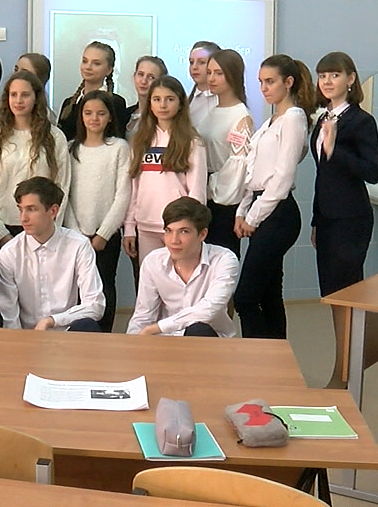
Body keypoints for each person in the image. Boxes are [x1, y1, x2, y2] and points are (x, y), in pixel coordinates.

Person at [311, 51, 378, 387]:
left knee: (346, 297)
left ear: (350, 79)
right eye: (322, 75)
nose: (327, 81)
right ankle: (344, 367)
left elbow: (373, 171)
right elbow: (322, 175)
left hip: (351, 219)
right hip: (327, 218)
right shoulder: (323, 118)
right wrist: (315, 219)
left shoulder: (361, 121)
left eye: (334, 75)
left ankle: (345, 374)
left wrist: (335, 147)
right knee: (332, 297)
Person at [233, 54, 313, 340]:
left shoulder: (294, 118)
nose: (264, 88)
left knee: (245, 298)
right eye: (260, 82)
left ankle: (256, 357)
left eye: (270, 82)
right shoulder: (270, 121)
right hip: (260, 206)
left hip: (278, 213)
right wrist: (242, 211)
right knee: (268, 294)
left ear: (288, 82)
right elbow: (253, 172)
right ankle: (276, 355)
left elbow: (282, 178)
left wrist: (253, 217)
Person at [0, 177, 104, 332]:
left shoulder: (78, 245)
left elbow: (95, 304)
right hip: (27, 338)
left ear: (53, 211)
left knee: (88, 326)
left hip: (67, 333)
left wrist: (52, 320)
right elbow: (8, 313)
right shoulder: (10, 252)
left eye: (31, 209)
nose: (23, 218)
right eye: (21, 209)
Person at [122, 76, 207, 273]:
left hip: (179, 228)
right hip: (146, 225)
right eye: (157, 99)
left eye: (169, 99)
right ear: (150, 103)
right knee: (151, 281)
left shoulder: (192, 142)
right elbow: (133, 188)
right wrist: (129, 227)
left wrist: (190, 227)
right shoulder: (140, 141)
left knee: (181, 280)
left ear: (180, 103)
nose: (163, 105)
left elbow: (197, 190)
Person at [0, 71, 71, 248]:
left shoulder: (55, 137)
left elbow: (63, 186)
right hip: (6, 229)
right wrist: (1, 236)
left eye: (25, 95)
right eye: (13, 95)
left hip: (44, 231)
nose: (18, 100)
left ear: (36, 98)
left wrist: (51, 231)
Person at [65, 90, 132, 332]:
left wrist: (103, 234)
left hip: (106, 236)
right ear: (81, 116)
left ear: (110, 117)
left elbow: (123, 194)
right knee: (78, 287)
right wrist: (76, 233)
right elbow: (65, 193)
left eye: (101, 113)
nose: (94, 118)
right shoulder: (70, 148)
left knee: (104, 285)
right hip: (76, 234)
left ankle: (104, 335)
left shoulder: (119, 148)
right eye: (88, 113)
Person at [127, 197, 239, 337]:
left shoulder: (224, 259)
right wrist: (132, 341)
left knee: (198, 329)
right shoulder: (153, 262)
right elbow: (143, 315)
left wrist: (155, 328)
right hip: (165, 341)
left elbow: (208, 309)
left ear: (202, 234)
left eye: (184, 231)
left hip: (207, 339)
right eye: (168, 231)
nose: (174, 240)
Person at [197, 49, 255, 255]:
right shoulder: (212, 111)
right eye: (209, 72)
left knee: (222, 258)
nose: (211, 78)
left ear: (233, 75)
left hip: (224, 201)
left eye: (218, 73)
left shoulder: (241, 116)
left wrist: (212, 186)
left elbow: (238, 166)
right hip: (206, 197)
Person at [57, 41, 130, 140]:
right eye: (85, 61)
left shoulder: (115, 102)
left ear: (109, 70)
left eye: (96, 63)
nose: (88, 67)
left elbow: (116, 138)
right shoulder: (69, 104)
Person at [127, 55, 167, 138]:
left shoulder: (162, 116)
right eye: (141, 74)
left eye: (151, 77)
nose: (144, 81)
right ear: (134, 76)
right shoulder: (126, 114)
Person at [186, 41, 221, 125]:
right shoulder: (187, 101)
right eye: (191, 62)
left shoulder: (221, 100)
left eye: (201, 62)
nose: (194, 67)